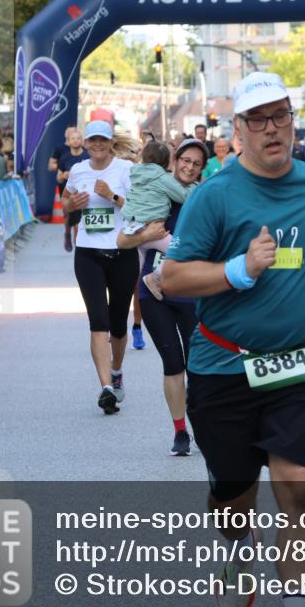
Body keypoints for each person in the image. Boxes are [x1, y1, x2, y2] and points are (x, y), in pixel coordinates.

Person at [160, 72, 305, 607]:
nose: (272, 128)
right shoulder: (213, 195)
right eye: (258, 119)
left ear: (293, 120)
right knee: (233, 502)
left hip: (302, 363)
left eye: (281, 116)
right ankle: (237, 547)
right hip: (223, 367)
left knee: (301, 489)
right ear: (238, 130)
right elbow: (170, 277)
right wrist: (237, 271)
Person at [118, 138, 209, 455]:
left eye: (196, 164)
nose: (189, 167)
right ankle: (180, 432)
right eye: (185, 160)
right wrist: (147, 235)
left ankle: (204, 427)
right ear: (175, 160)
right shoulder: (157, 193)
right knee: (173, 364)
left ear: (201, 169)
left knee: (199, 367)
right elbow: (122, 240)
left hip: (193, 295)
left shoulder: (203, 199)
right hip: (154, 295)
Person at [60, 120, 138, 415]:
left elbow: (139, 208)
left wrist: (112, 196)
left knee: (118, 325)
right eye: (92, 140)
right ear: (87, 142)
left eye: (101, 141)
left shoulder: (125, 170)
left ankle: (116, 370)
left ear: (110, 143)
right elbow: (66, 200)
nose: (96, 145)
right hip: (88, 254)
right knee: (98, 321)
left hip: (122, 252)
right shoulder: (79, 170)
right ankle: (106, 387)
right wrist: (72, 205)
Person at [118, 141, 189, 300]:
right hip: (153, 229)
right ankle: (155, 278)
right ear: (166, 161)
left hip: (132, 228)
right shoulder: (162, 177)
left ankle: (137, 294)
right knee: (182, 249)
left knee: (139, 271)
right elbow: (183, 197)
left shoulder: (135, 173)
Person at [55, 128, 89, 252]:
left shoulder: (87, 156)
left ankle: (78, 245)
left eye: (78, 138)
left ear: (82, 141)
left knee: (78, 222)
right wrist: (63, 176)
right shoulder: (64, 158)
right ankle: (67, 234)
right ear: (68, 141)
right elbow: (58, 178)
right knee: (69, 219)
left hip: (82, 194)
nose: (75, 141)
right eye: (72, 139)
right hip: (67, 193)